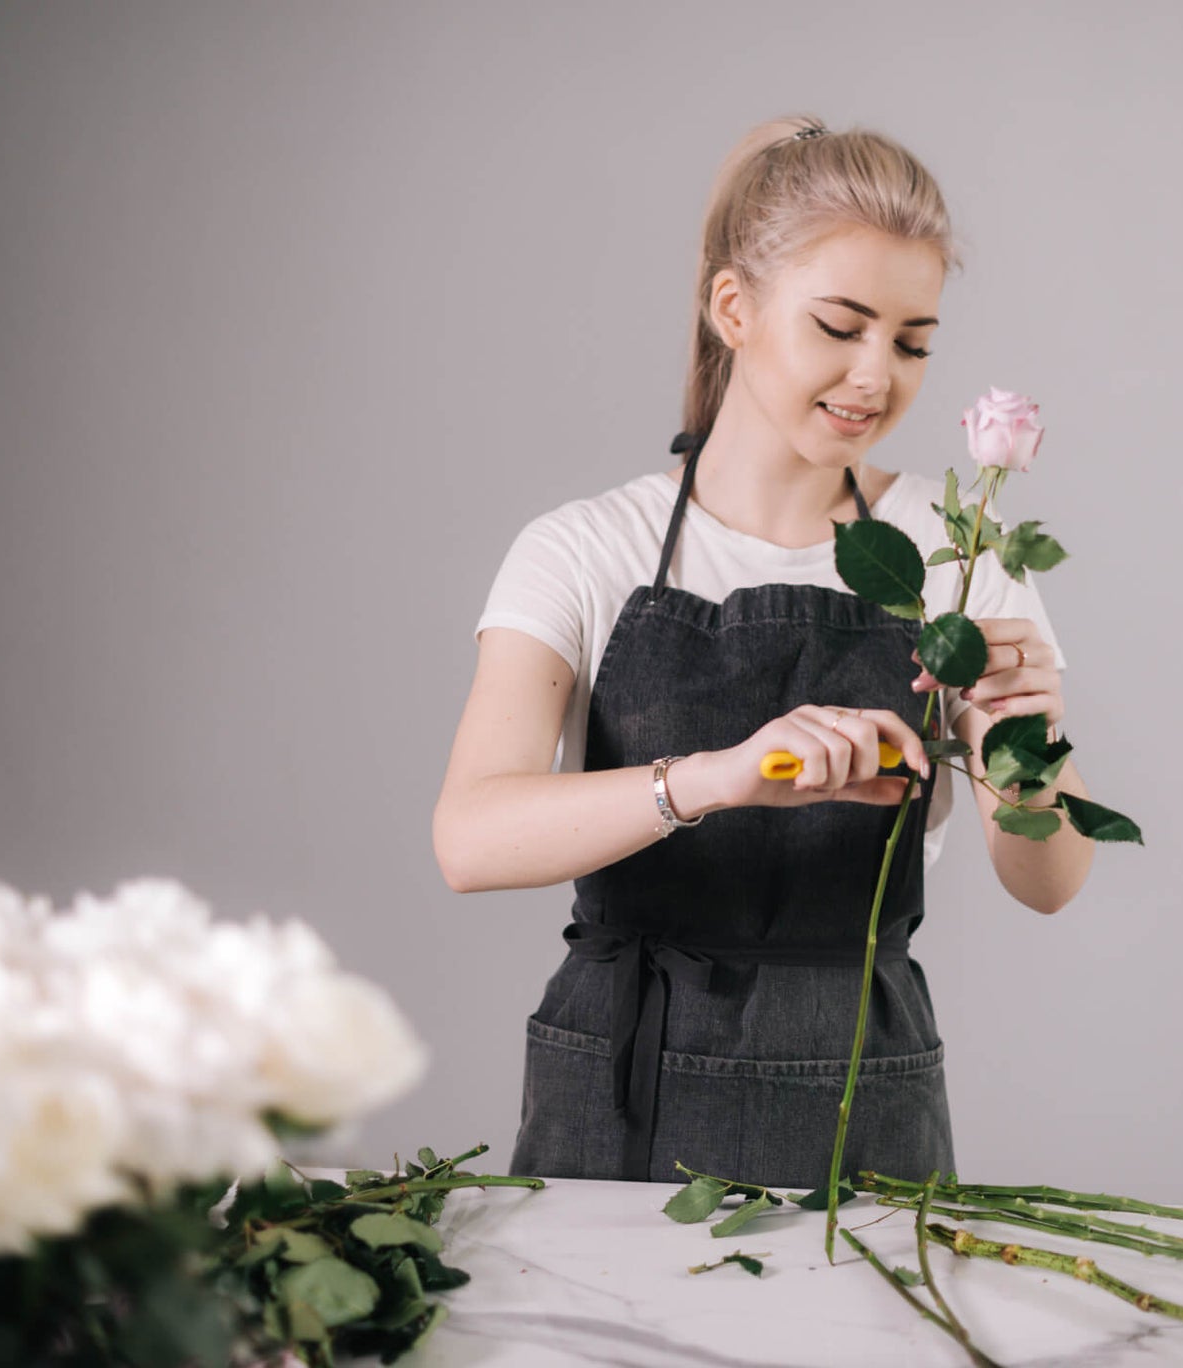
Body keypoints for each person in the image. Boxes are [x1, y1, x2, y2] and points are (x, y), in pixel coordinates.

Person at [432, 114, 1097, 1188]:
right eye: (839, 326)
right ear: (731, 308)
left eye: (912, 341)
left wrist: (1029, 739)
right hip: (618, 1090)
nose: (875, 375)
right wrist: (721, 780)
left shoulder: (954, 551)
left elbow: (1049, 879)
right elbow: (469, 839)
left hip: (860, 1093)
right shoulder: (583, 548)